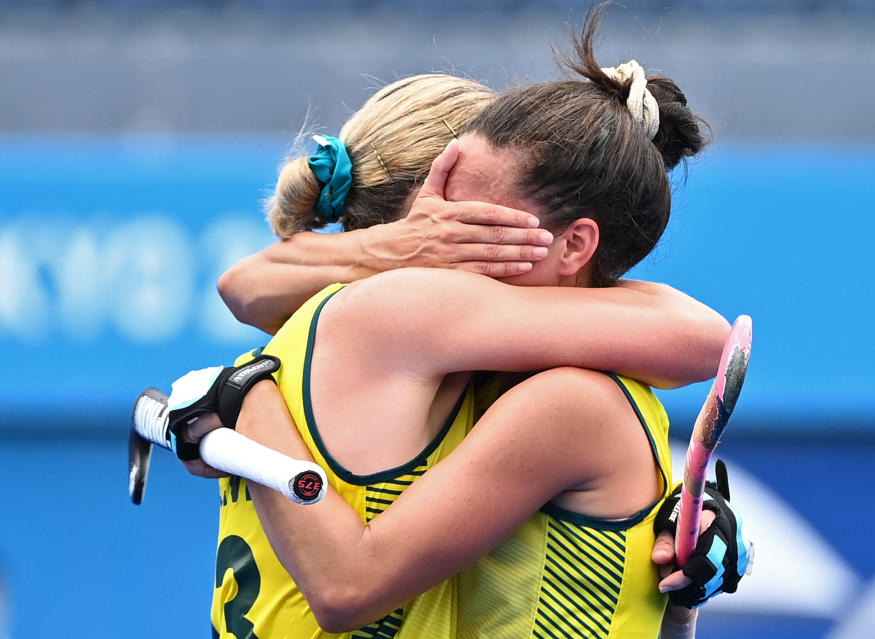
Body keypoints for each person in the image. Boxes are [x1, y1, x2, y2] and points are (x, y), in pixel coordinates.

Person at [158, 7, 750, 638]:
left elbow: (244, 284)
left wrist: (680, 564)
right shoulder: (440, 328)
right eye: (456, 221)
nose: (456, 243)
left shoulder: (337, 328)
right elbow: (714, 342)